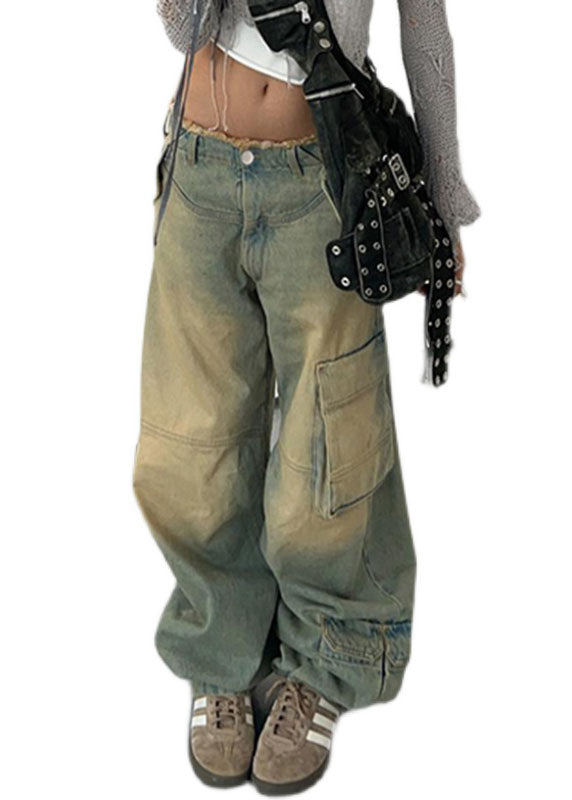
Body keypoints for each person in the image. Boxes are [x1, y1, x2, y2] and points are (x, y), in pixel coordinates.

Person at [133, 0, 480, 794]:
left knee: (330, 440)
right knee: (191, 441)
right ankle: (222, 656)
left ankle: (329, 659)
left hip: (319, 183)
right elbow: (184, 31)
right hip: (200, 171)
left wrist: (442, 202)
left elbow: (425, 30)